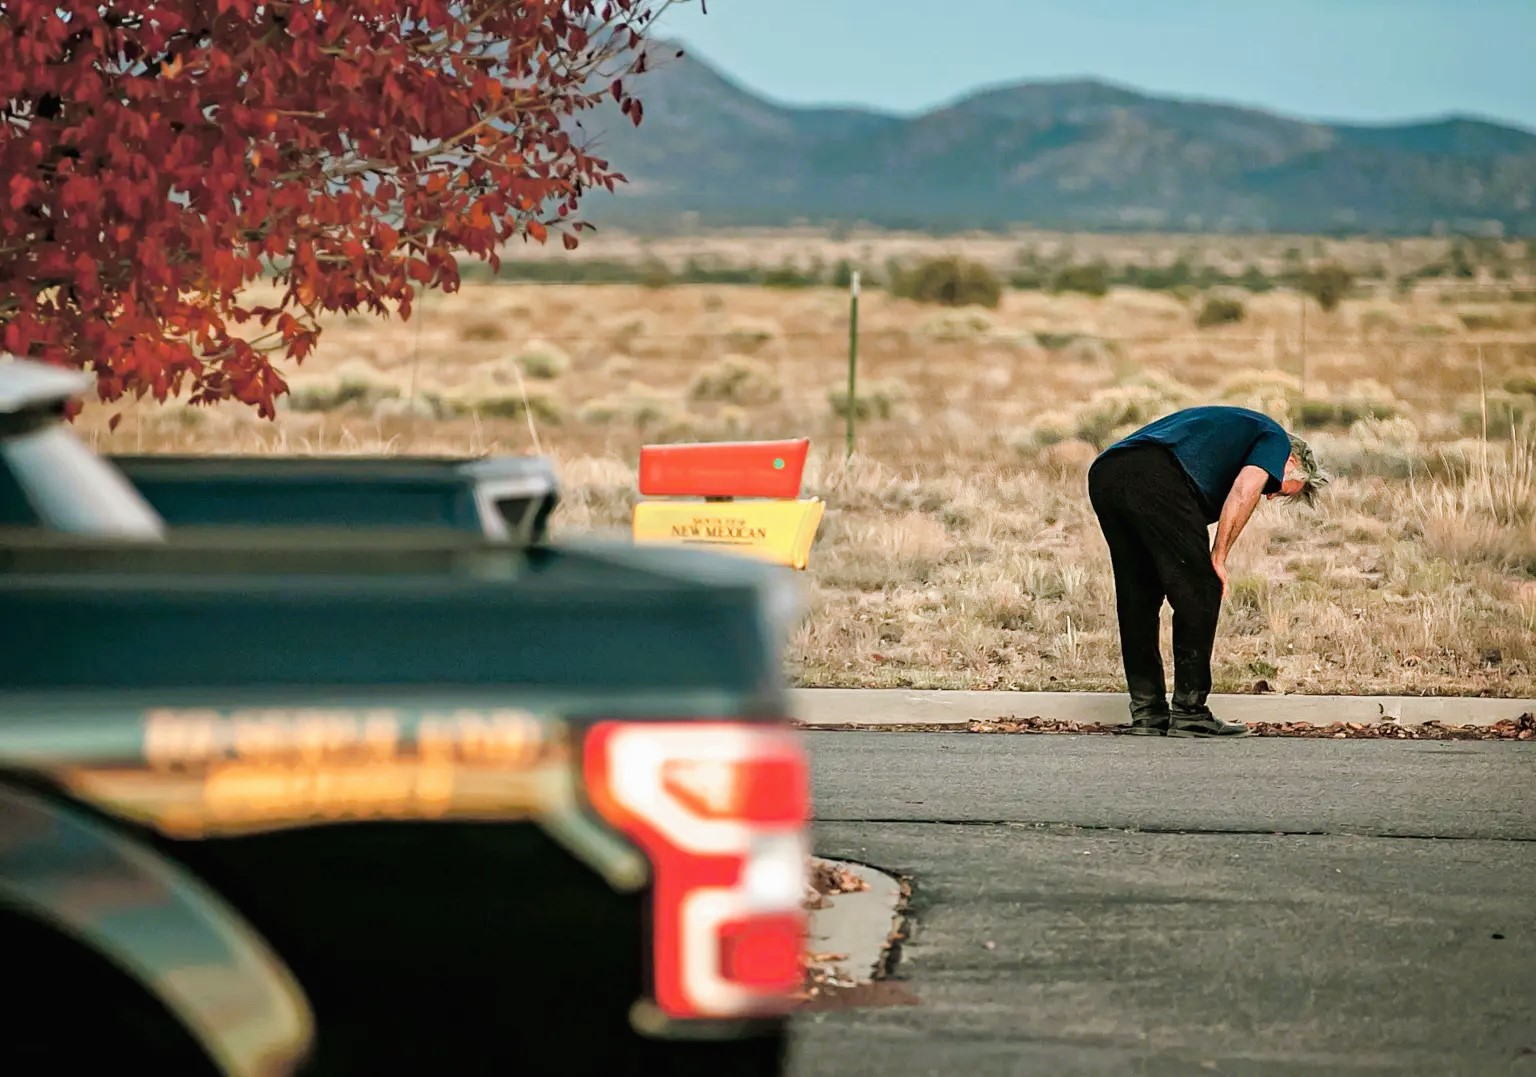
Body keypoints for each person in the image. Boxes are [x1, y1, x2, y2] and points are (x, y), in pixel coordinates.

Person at [1086, 405, 1330, 737]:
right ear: (1292, 462)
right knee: (1202, 589)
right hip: (1154, 473)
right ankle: (1190, 713)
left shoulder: (1235, 436)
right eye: (1278, 487)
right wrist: (1219, 557)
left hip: (1107, 473)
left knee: (1138, 597)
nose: (1270, 495)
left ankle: (1148, 714)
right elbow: (1245, 491)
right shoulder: (1275, 440)